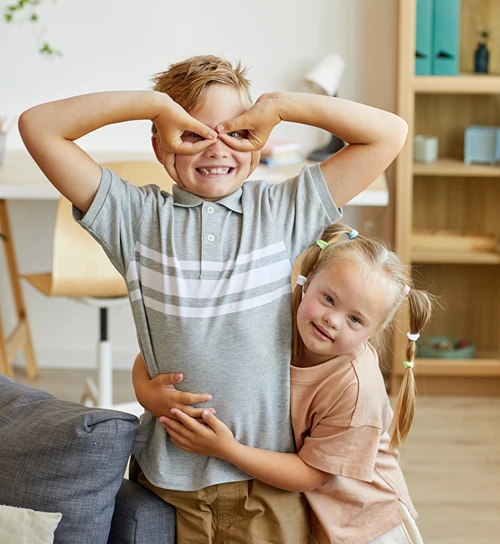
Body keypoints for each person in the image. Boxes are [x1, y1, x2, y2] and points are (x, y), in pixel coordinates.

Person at [19, 56, 408, 544]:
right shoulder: (133, 219)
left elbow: (389, 133)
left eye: (235, 133)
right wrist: (153, 106)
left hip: (267, 486)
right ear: (161, 143)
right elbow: (38, 127)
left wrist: (280, 106)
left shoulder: (282, 211)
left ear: (256, 139)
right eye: (195, 133)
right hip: (168, 485)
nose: (216, 147)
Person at [142, 222, 432, 544]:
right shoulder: (269, 320)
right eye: (329, 298)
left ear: (372, 333)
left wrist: (227, 450)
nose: (332, 320)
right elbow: (159, 354)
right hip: (307, 510)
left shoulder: (356, 386)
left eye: (355, 319)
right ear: (306, 282)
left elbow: (310, 474)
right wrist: (147, 394)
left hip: (364, 524)